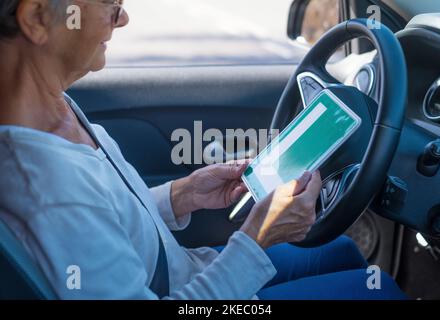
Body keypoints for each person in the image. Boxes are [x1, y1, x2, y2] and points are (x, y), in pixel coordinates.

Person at [0, 0, 406, 299]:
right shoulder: (47, 191)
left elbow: (106, 217)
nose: (122, 17)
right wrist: (258, 237)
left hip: (186, 274)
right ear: (36, 18)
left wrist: (182, 195)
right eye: (111, 4)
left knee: (342, 251)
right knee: (380, 290)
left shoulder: (53, 107)